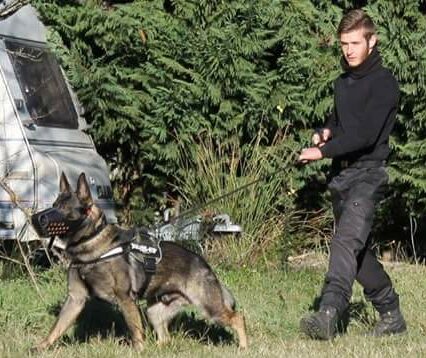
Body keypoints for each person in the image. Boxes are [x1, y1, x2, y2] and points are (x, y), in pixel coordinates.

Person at [298, 9, 406, 340]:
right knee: (356, 254)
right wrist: (324, 133)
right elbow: (339, 122)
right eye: (344, 44)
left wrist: (321, 152)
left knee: (345, 241)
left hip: (368, 177)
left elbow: (365, 135)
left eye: (355, 42)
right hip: (341, 179)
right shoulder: (343, 83)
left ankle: (328, 314)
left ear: (372, 41)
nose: (349, 50)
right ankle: (391, 314)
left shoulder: (385, 84)